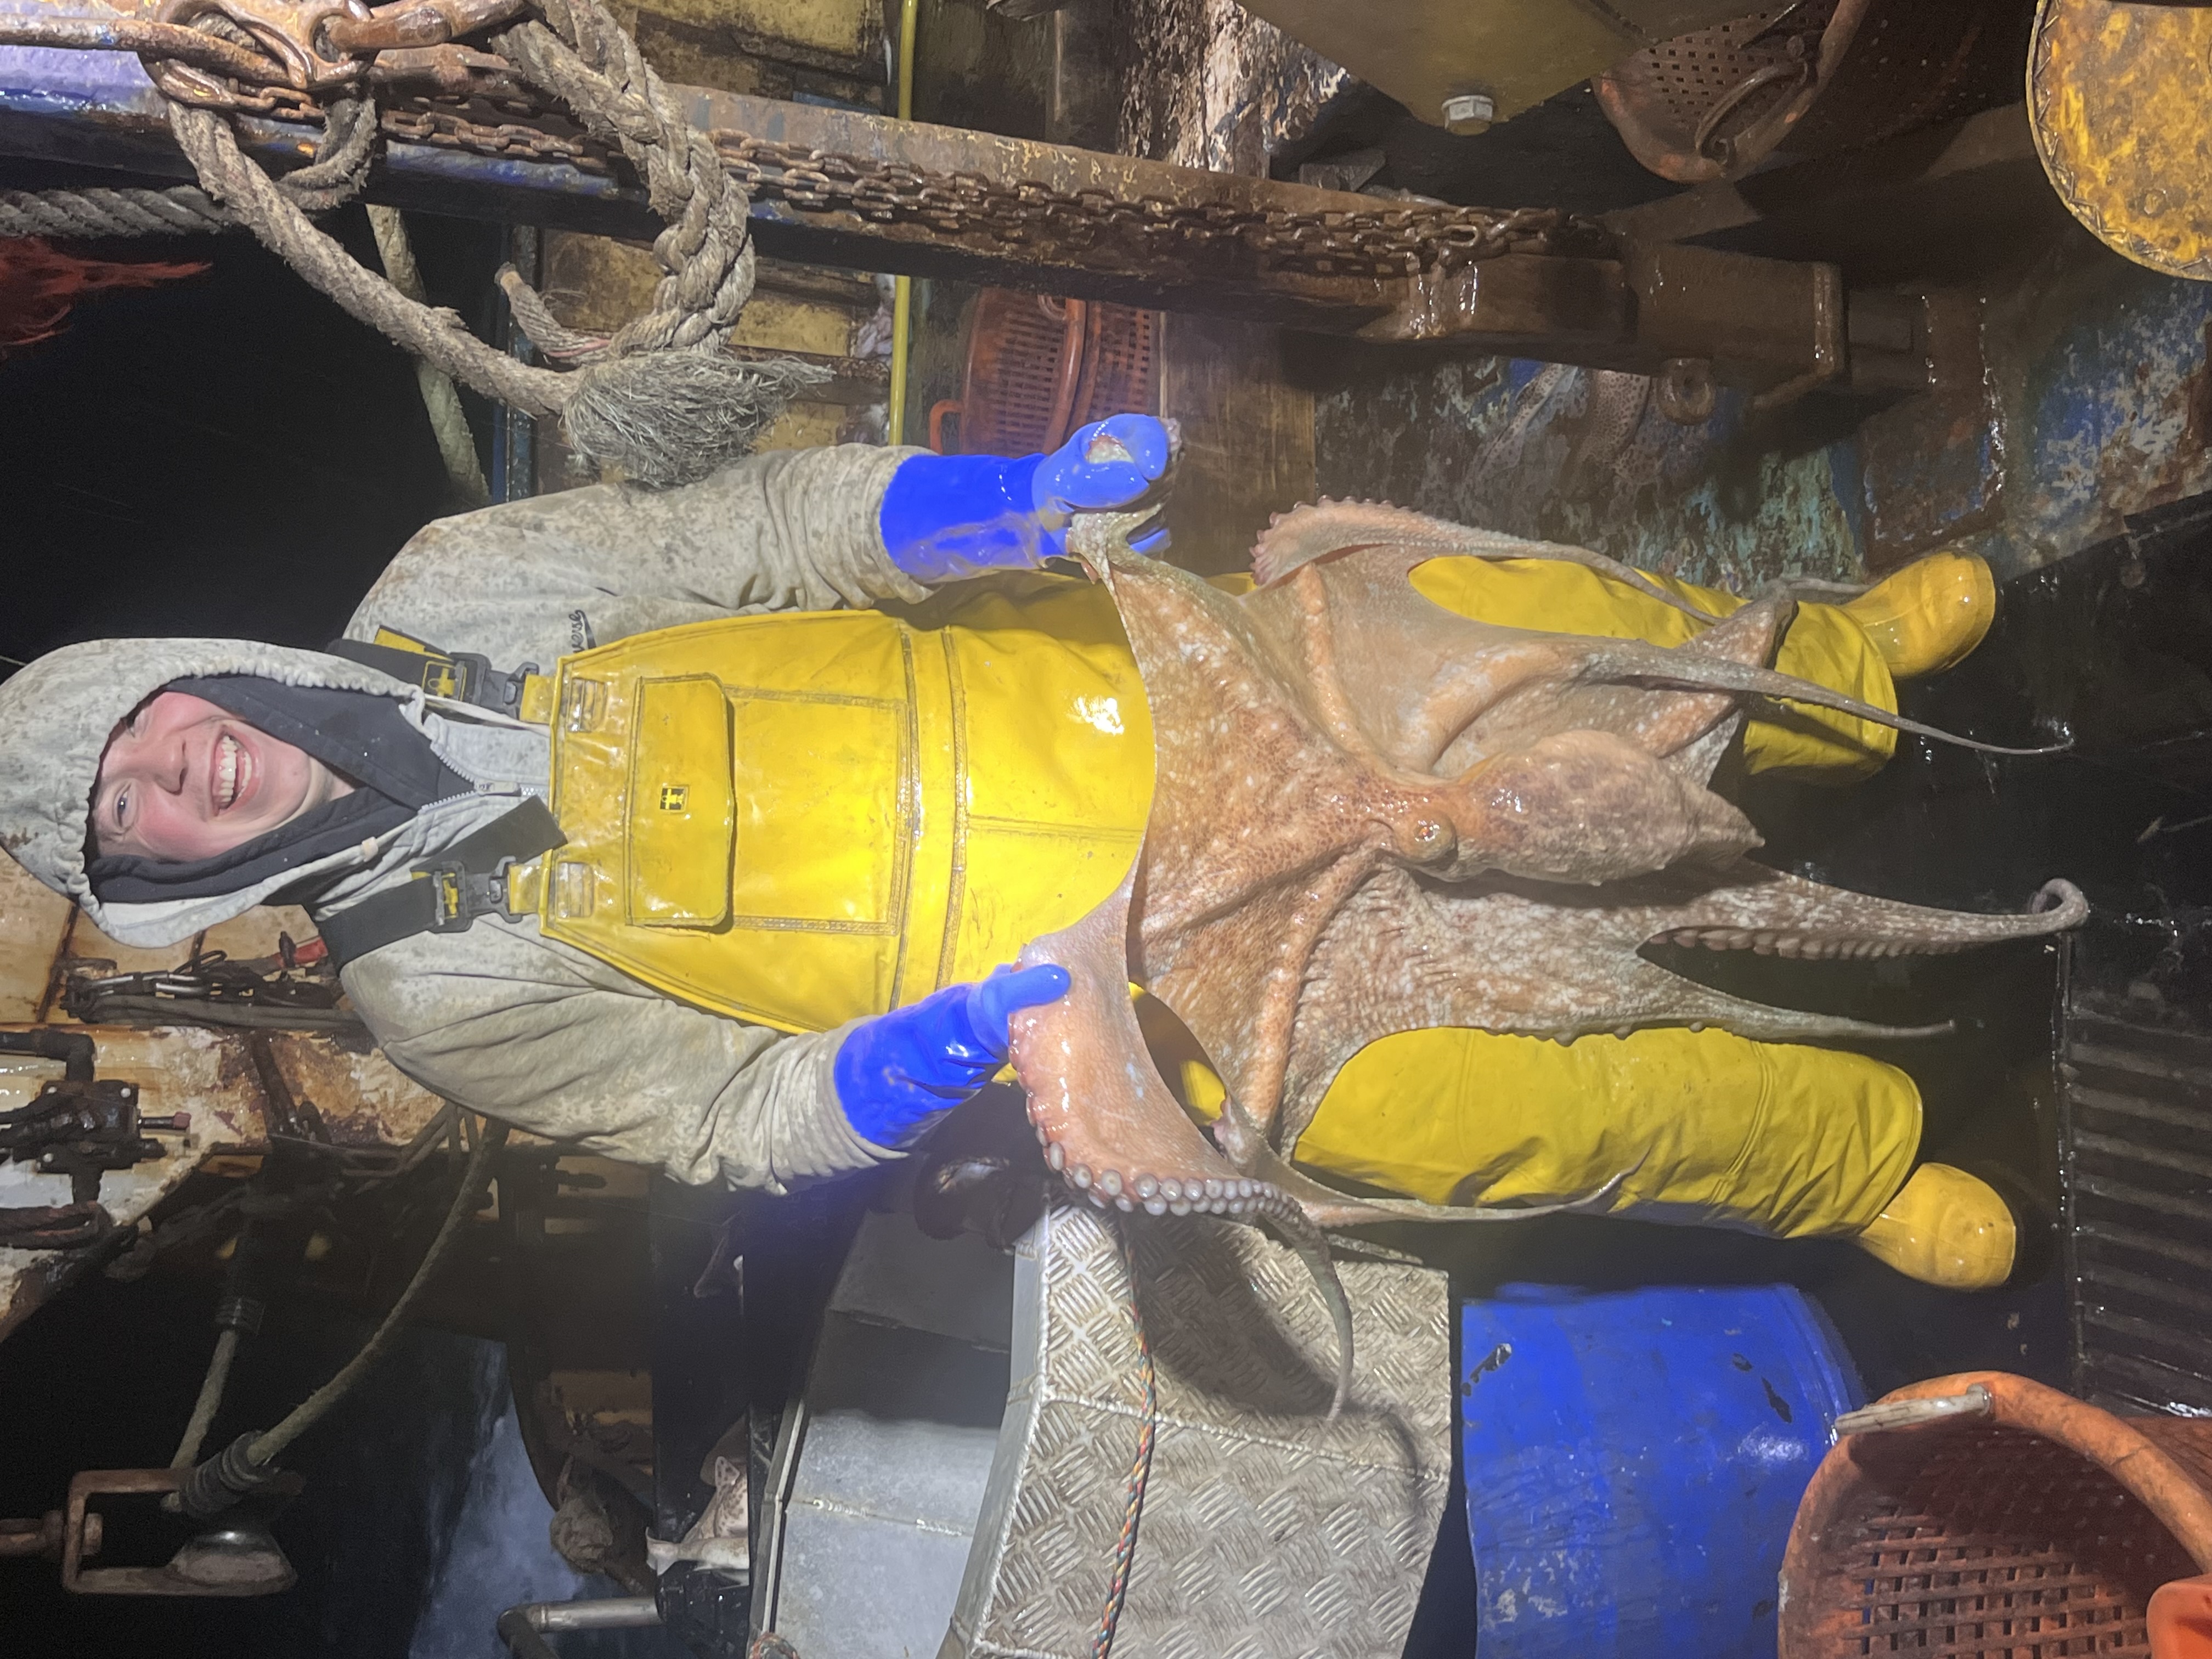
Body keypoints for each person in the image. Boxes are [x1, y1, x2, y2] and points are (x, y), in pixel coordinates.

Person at [0, 415, 2015, 1288]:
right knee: (1494, 1123)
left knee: (1553, 653)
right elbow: (729, 1117)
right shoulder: (430, 993)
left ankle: (1841, 670)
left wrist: (1001, 496)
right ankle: (1852, 1168)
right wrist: (913, 1065)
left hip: (1169, 685)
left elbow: (773, 532)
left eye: (148, 720)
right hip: (1146, 988)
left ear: (188, 672)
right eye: (138, 811)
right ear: (169, 886)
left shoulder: (467, 581)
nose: (182, 766)